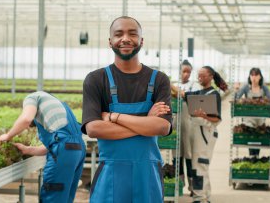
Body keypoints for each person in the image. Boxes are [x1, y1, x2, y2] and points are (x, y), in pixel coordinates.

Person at [81, 16, 172, 203]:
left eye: (132, 34)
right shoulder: (96, 79)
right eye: (118, 34)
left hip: (148, 176)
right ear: (110, 41)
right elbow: (93, 129)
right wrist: (146, 121)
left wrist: (114, 116)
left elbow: (162, 127)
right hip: (110, 176)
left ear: (141, 41)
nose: (125, 38)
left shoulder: (159, 80)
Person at [0, 91, 85, 203]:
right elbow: (61, 145)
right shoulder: (55, 106)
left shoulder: (32, 98)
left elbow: (26, 119)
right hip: (78, 150)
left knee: (52, 195)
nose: (30, 126)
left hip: (65, 152)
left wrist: (8, 135)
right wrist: (28, 149)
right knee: (64, 197)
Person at [185, 66, 227, 203]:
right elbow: (181, 94)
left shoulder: (213, 95)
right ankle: (205, 197)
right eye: (198, 75)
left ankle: (199, 198)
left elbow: (217, 119)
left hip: (206, 133)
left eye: (202, 75)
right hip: (198, 133)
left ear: (210, 77)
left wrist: (204, 116)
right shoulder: (199, 93)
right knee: (201, 165)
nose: (199, 78)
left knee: (199, 165)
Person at [170, 59, 196, 194]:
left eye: (189, 72)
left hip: (188, 125)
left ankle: (192, 187)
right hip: (176, 125)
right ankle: (179, 185)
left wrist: (175, 90)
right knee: (177, 156)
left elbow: (189, 98)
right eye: (184, 71)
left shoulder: (193, 86)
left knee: (189, 155)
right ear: (179, 71)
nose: (186, 74)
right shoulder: (174, 85)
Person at [235, 67, 270, 157]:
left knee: (258, 138)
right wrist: (236, 89)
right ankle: (252, 156)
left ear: (260, 77)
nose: (254, 77)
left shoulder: (264, 88)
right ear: (249, 77)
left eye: (256, 75)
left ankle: (256, 157)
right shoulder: (246, 87)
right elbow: (236, 98)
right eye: (252, 75)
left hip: (260, 118)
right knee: (250, 137)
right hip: (249, 118)